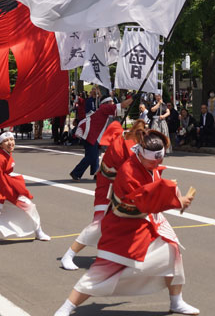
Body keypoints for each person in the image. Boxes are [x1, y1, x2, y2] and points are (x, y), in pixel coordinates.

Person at [54, 129, 199, 316]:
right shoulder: (129, 171)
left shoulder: (147, 164)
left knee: (173, 250)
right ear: (140, 152)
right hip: (124, 225)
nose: (157, 163)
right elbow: (145, 200)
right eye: (153, 160)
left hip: (147, 220)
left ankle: (176, 301)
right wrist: (176, 201)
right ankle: (66, 307)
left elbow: (155, 190)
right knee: (104, 268)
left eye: (160, 160)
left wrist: (177, 198)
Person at [61, 119, 144, 270]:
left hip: (122, 189)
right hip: (108, 189)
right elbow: (126, 175)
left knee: (133, 224)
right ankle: (69, 254)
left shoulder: (133, 146)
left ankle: (118, 256)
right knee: (99, 224)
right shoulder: (120, 148)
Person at [69, 94, 133, 181]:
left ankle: (96, 174)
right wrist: (132, 98)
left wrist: (130, 99)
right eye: (111, 102)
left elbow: (120, 109)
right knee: (91, 156)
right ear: (106, 102)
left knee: (94, 155)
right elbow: (122, 105)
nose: (112, 103)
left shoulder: (104, 109)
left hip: (92, 135)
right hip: (90, 135)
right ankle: (76, 172)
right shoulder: (104, 108)